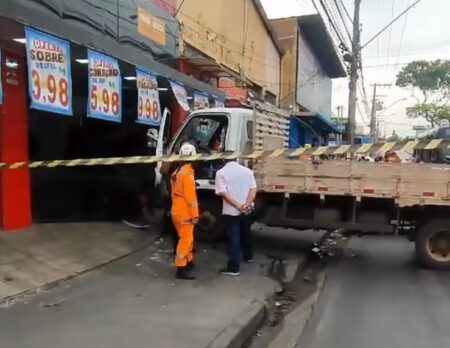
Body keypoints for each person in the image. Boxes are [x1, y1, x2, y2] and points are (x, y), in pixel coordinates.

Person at [215, 158, 257, 276]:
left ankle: (234, 267)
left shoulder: (221, 173)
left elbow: (224, 193)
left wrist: (238, 206)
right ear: (237, 159)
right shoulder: (247, 171)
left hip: (231, 211)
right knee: (246, 233)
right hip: (247, 209)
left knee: (234, 238)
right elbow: (253, 189)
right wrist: (247, 204)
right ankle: (248, 256)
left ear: (224, 160)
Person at [170, 142, 199, 280]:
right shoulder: (187, 174)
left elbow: (173, 193)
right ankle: (181, 268)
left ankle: (189, 262)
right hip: (185, 212)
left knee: (186, 238)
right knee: (186, 240)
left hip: (176, 210)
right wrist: (195, 215)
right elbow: (191, 197)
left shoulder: (177, 172)